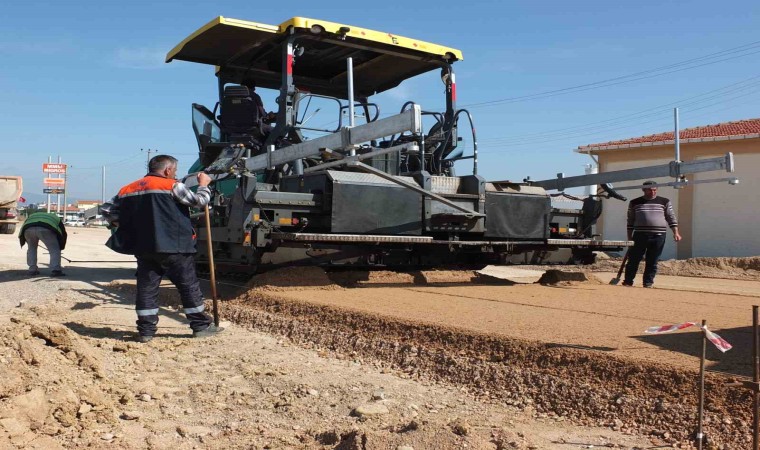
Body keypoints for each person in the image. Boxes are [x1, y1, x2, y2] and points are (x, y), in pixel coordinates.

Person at [101, 155, 223, 343]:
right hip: (176, 246)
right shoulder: (172, 186)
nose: (175, 174)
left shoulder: (128, 189)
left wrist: (126, 223)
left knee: (147, 289)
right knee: (188, 287)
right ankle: (200, 326)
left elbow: (107, 210)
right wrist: (204, 184)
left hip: (144, 247)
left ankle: (146, 332)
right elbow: (199, 201)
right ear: (167, 170)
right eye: (174, 171)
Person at [623, 181, 682, 288]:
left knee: (653, 261)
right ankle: (628, 281)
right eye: (650, 190)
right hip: (640, 235)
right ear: (644, 190)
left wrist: (676, 233)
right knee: (634, 260)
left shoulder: (664, 201)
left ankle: (648, 283)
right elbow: (630, 221)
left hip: (658, 236)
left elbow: (671, 217)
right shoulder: (635, 202)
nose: (652, 192)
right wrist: (629, 237)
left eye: (654, 190)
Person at [18, 211, 67, 277]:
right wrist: (60, 246)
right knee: (54, 250)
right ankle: (56, 270)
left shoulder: (32, 215)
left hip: (28, 229)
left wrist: (24, 239)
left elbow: (23, 227)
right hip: (46, 228)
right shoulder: (55, 218)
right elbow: (63, 233)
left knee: (31, 248)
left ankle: (32, 270)